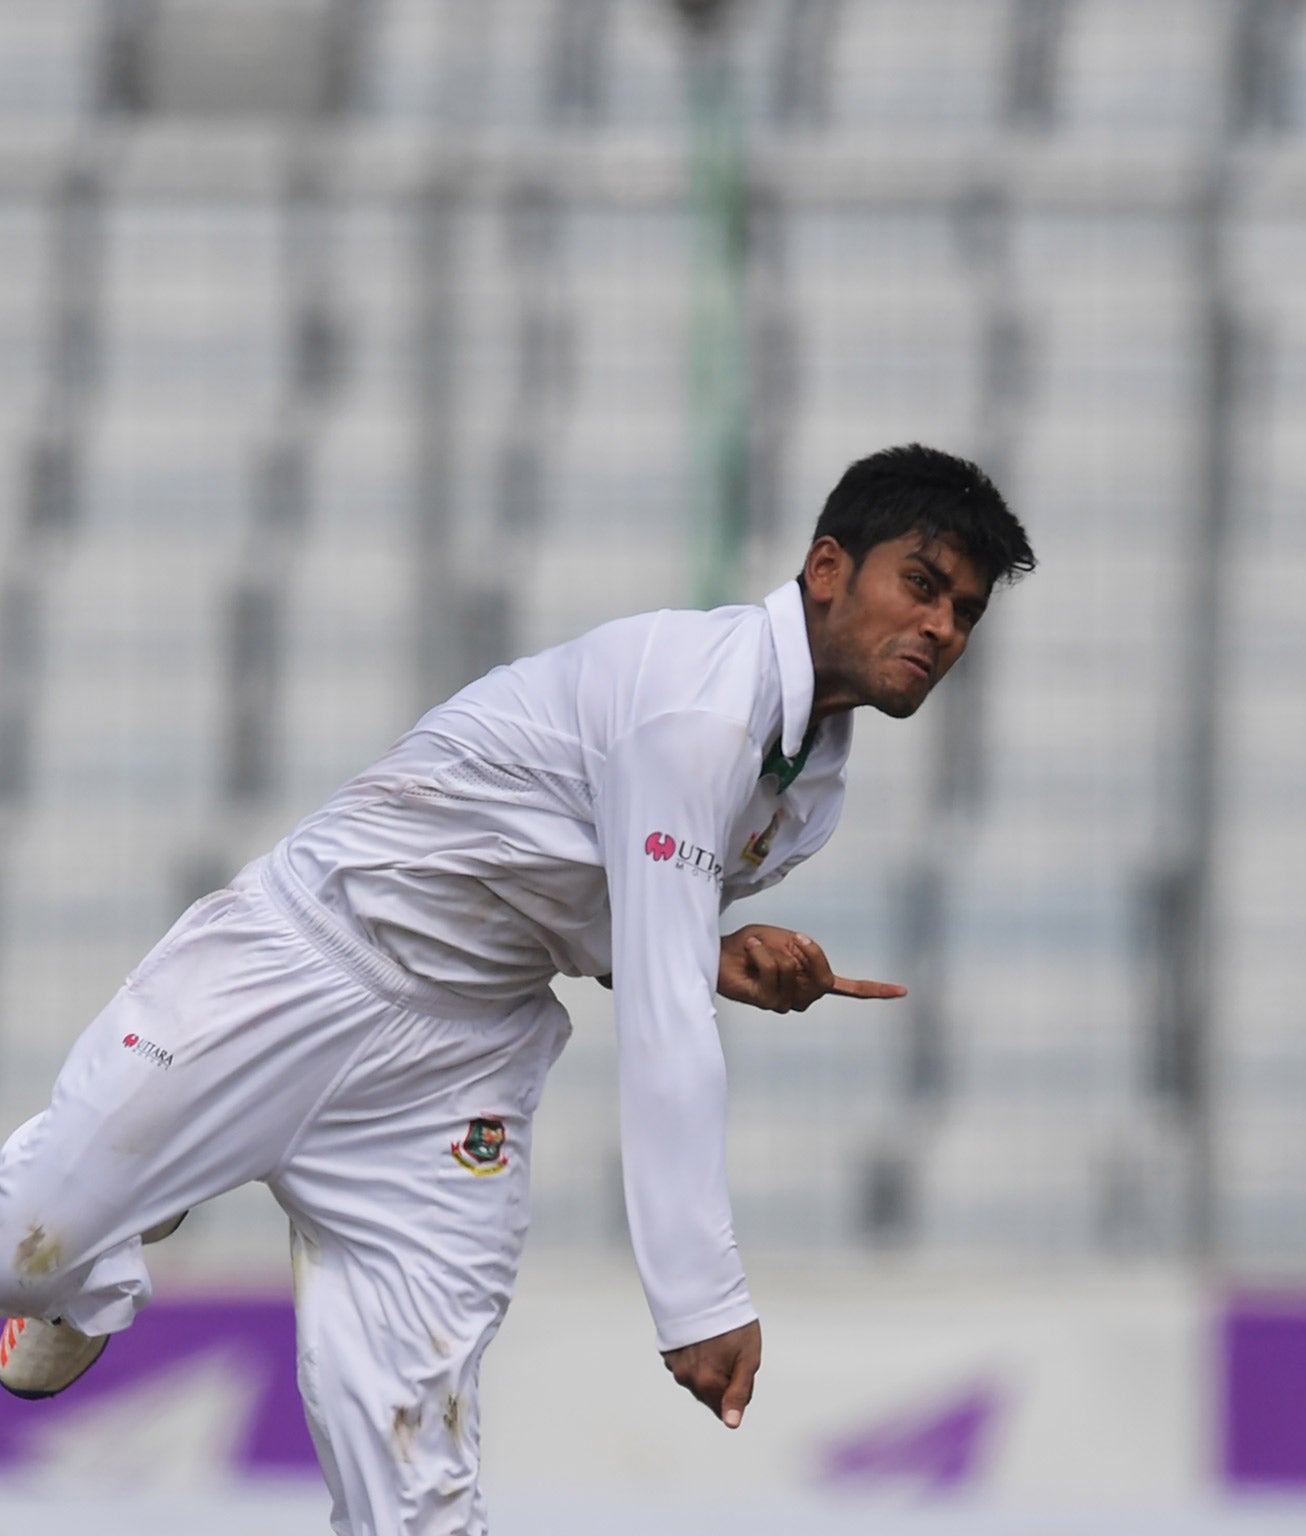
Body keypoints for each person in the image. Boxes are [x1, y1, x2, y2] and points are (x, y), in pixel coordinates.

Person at [0, 443, 1034, 1533]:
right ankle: (95, 1254)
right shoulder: (700, 707)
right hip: (303, 963)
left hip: (456, 1065)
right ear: (827, 567)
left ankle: (136, 1202)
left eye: (963, 612)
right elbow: (665, 1021)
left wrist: (705, 948)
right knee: (32, 1243)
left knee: (420, 1494)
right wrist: (699, 1297)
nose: (940, 630)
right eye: (920, 587)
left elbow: (599, 894)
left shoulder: (811, 785)